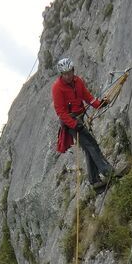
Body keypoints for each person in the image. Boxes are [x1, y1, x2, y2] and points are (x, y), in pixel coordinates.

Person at [52, 58, 116, 192]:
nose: (68, 76)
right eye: (65, 74)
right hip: (71, 122)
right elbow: (61, 112)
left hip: (79, 118)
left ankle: (95, 182)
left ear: (73, 70)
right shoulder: (57, 88)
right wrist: (74, 125)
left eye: (70, 72)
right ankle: (107, 171)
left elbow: (87, 97)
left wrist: (99, 104)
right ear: (61, 74)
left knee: (89, 148)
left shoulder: (78, 81)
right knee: (92, 144)